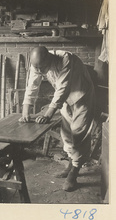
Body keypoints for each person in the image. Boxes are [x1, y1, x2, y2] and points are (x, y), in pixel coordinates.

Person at [19, 46, 95, 192]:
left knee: (79, 133)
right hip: (66, 100)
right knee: (66, 133)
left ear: (49, 58)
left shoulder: (66, 58)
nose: (40, 70)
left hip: (82, 96)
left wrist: (48, 114)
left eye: (42, 67)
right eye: (37, 68)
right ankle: (70, 165)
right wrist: (25, 111)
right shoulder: (37, 63)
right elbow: (32, 85)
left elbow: (62, 88)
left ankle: (74, 173)